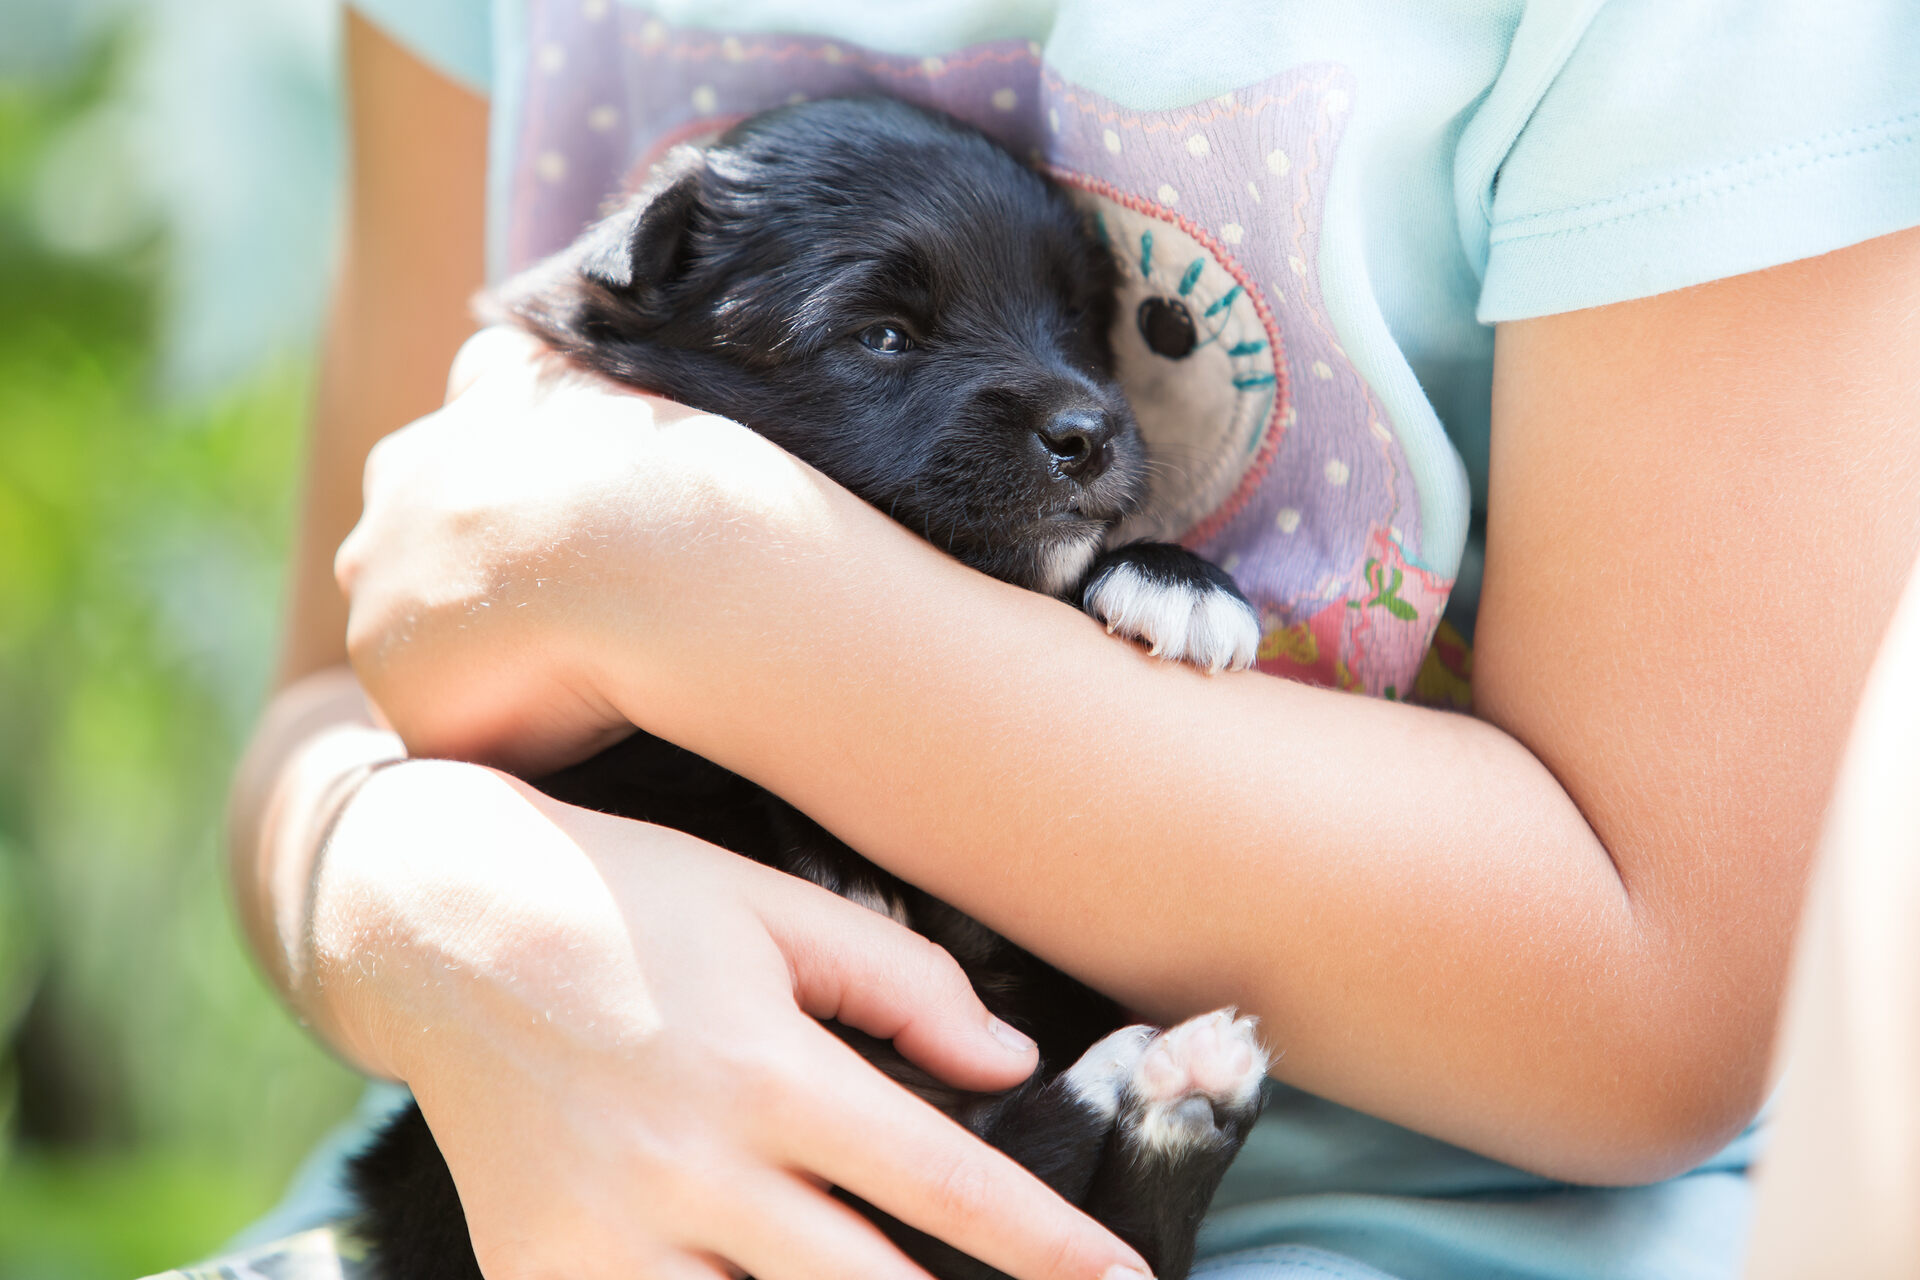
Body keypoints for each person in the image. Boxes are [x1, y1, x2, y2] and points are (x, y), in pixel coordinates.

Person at [204, 3, 1920, 1279]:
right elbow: (333, 714)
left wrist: (673, 567)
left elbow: (1662, 999)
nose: (1083, 410)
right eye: (886, 327)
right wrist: (413, 899)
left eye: (1079, 338)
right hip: (535, 1174)